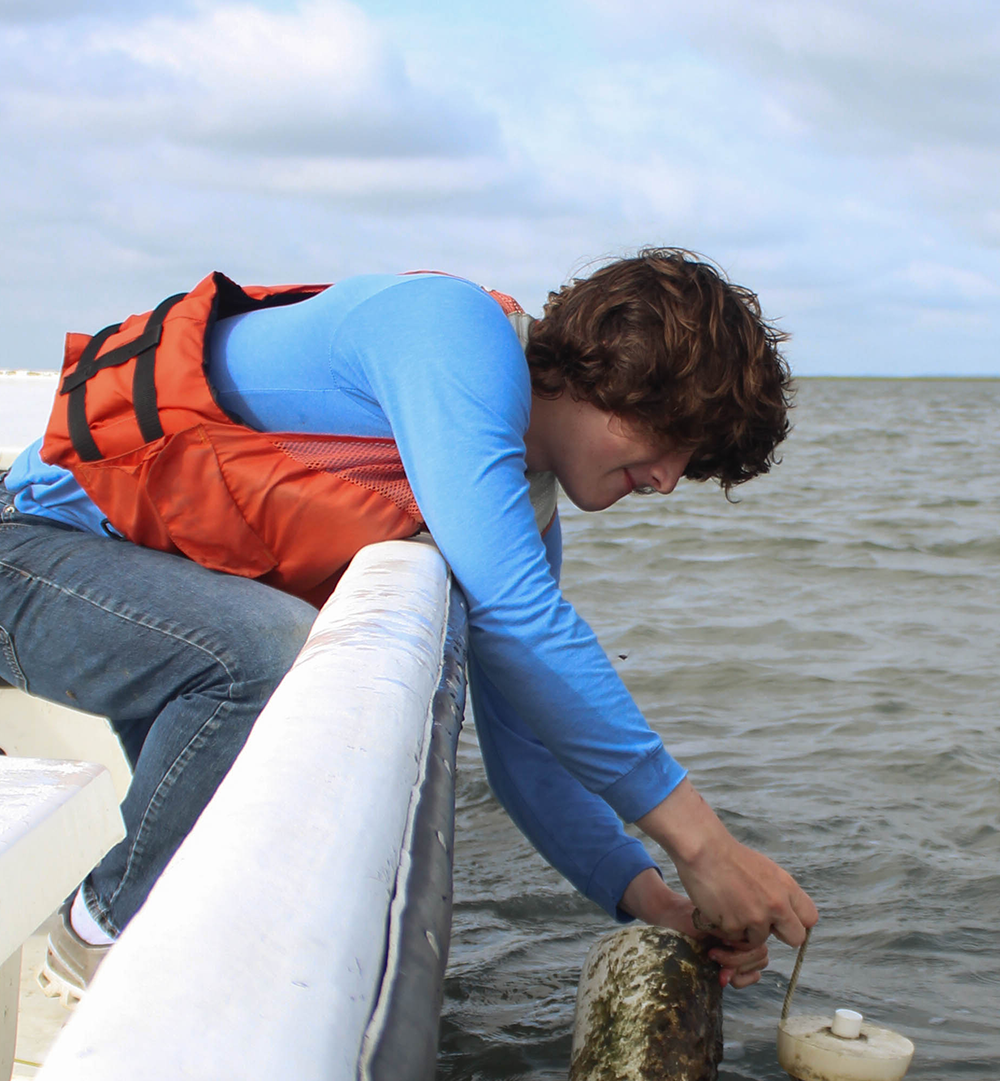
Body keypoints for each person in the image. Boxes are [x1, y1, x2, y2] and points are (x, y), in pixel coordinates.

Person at [0, 249, 817, 1004]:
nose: (670, 481)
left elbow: (528, 756)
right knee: (266, 653)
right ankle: (96, 935)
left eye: (692, 463)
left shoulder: (514, 507)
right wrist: (706, 846)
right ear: (605, 373)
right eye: (666, 439)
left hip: (147, 603)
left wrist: (658, 901)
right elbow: (522, 619)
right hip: (29, 550)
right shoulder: (449, 334)